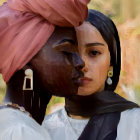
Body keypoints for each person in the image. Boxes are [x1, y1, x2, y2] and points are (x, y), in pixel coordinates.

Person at [42, 9, 139, 140]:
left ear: (112, 62)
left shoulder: (134, 124)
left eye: (93, 53)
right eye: (70, 53)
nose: (82, 65)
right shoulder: (43, 130)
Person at [0, 0, 90, 139]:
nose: (80, 62)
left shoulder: (17, 124)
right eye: (66, 51)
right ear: (26, 61)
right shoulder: (21, 132)